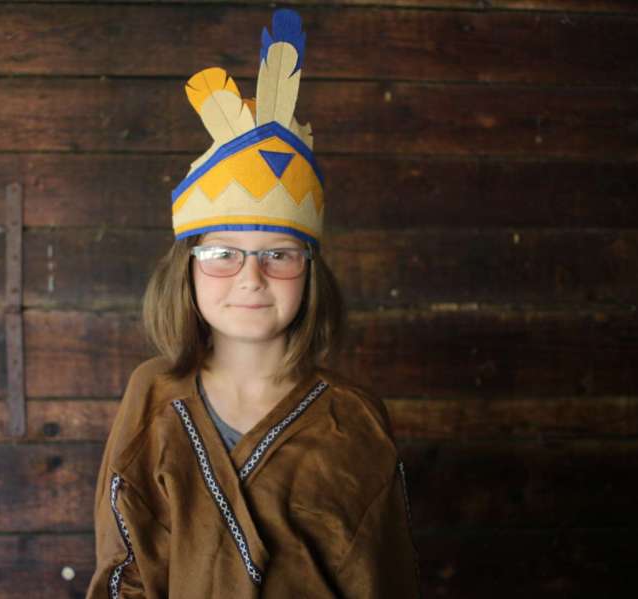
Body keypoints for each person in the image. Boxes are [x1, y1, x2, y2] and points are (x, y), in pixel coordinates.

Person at [85, 9, 420, 598]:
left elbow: (385, 579)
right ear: (187, 269)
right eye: (222, 254)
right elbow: (126, 567)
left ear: (310, 272)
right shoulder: (153, 396)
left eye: (279, 255)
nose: (251, 278)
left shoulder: (355, 419)